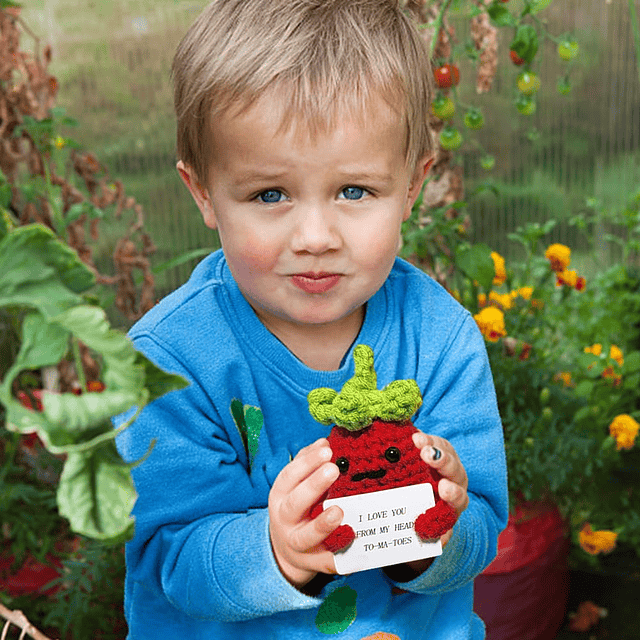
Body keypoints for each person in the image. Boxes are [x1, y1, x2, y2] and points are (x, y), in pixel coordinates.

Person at [114, 0, 508, 638]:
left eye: (355, 190)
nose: (317, 236)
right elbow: (170, 559)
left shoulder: (441, 339)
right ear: (203, 192)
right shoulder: (169, 362)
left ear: (413, 184)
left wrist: (439, 528)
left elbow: (482, 531)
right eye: (270, 194)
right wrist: (277, 552)